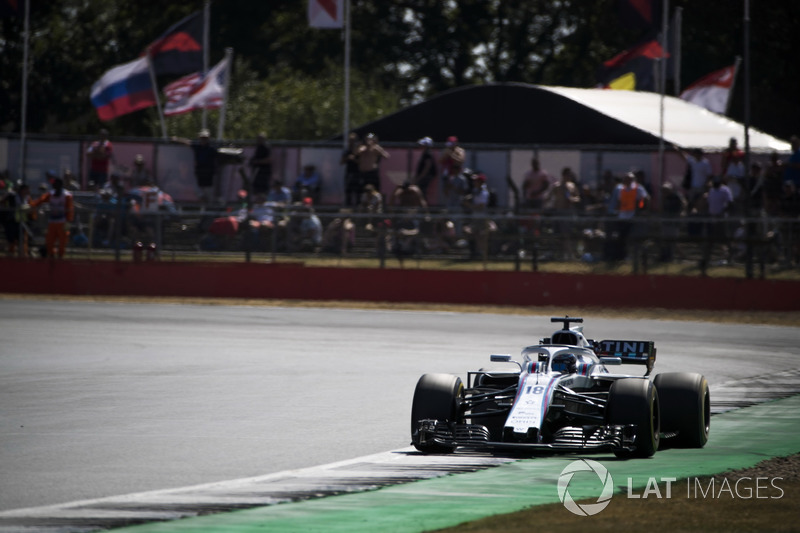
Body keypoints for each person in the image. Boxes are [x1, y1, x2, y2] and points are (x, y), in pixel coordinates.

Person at [30, 172, 74, 259]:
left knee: (62, 240)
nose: (54, 185)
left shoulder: (66, 195)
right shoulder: (50, 194)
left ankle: (61, 256)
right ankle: (51, 254)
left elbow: (70, 209)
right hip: (52, 220)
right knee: (50, 240)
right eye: (53, 184)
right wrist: (31, 205)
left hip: (62, 221)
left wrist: (69, 221)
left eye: (56, 184)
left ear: (60, 185)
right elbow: (40, 201)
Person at [607, 171, 649, 261]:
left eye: (628, 179)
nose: (626, 181)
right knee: (621, 238)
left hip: (633, 217)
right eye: (625, 179)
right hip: (622, 217)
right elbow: (618, 202)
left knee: (633, 238)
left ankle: (634, 257)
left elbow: (645, 199)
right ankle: (621, 257)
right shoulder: (620, 189)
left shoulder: (638, 188)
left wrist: (642, 209)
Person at [172, 129, 217, 203]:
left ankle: (210, 211)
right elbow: (187, 142)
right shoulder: (197, 147)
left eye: (205, 138)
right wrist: (176, 139)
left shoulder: (212, 148)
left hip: (209, 177)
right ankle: (202, 210)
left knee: (209, 197)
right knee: (200, 195)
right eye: (202, 138)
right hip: (199, 176)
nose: (203, 140)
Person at [2, 181, 33, 257]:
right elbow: (3, 201)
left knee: (22, 239)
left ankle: (22, 254)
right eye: (26, 189)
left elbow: (31, 206)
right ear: (22, 190)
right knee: (11, 239)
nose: (27, 191)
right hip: (13, 220)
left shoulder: (27, 198)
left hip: (22, 221)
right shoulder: (12, 195)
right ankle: (11, 253)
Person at [341, 132, 361, 207]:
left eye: (353, 140)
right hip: (349, 172)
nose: (352, 142)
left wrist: (354, 159)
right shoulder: (346, 151)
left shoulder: (359, 151)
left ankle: (357, 205)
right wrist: (347, 158)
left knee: (357, 190)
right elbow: (341, 162)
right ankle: (348, 204)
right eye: (350, 140)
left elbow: (362, 162)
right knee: (348, 190)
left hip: (357, 172)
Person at [414, 137, 437, 202]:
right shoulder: (425, 153)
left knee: (421, 192)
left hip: (425, 177)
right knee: (421, 192)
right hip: (424, 176)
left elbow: (427, 166)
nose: (421, 146)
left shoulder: (428, 153)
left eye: (423, 144)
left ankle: (423, 209)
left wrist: (420, 177)